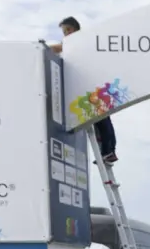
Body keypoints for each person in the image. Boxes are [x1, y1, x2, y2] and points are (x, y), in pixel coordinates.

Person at [50, 16, 118, 164]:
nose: (66, 33)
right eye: (64, 31)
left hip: (94, 85)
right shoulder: (75, 42)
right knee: (100, 120)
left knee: (102, 119)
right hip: (92, 85)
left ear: (76, 29)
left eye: (69, 29)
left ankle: (109, 151)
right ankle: (107, 151)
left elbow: (59, 48)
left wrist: (45, 48)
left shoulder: (78, 40)